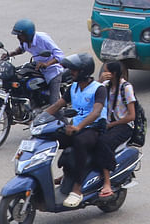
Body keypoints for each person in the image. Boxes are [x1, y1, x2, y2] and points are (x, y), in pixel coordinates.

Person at [44, 54, 108, 209]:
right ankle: (61, 174)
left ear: (83, 71)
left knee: (79, 142)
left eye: (73, 70)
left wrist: (79, 127)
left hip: (93, 129)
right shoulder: (73, 87)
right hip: (75, 128)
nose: (70, 72)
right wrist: (40, 118)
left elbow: (96, 112)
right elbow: (58, 104)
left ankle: (77, 188)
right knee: (48, 136)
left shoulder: (98, 89)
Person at [96, 61, 136, 199]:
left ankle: (107, 182)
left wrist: (112, 125)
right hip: (108, 124)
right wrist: (99, 81)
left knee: (103, 143)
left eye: (106, 71)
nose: (104, 73)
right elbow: (91, 96)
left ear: (113, 74)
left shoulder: (126, 88)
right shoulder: (105, 86)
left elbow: (131, 116)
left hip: (123, 126)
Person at [5, 19, 65, 105]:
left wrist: (46, 64)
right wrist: (10, 54)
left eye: (20, 35)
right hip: (38, 67)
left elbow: (60, 55)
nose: (18, 37)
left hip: (53, 71)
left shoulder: (43, 39)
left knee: (54, 104)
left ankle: (61, 117)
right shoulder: (25, 41)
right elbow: (21, 49)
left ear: (28, 34)